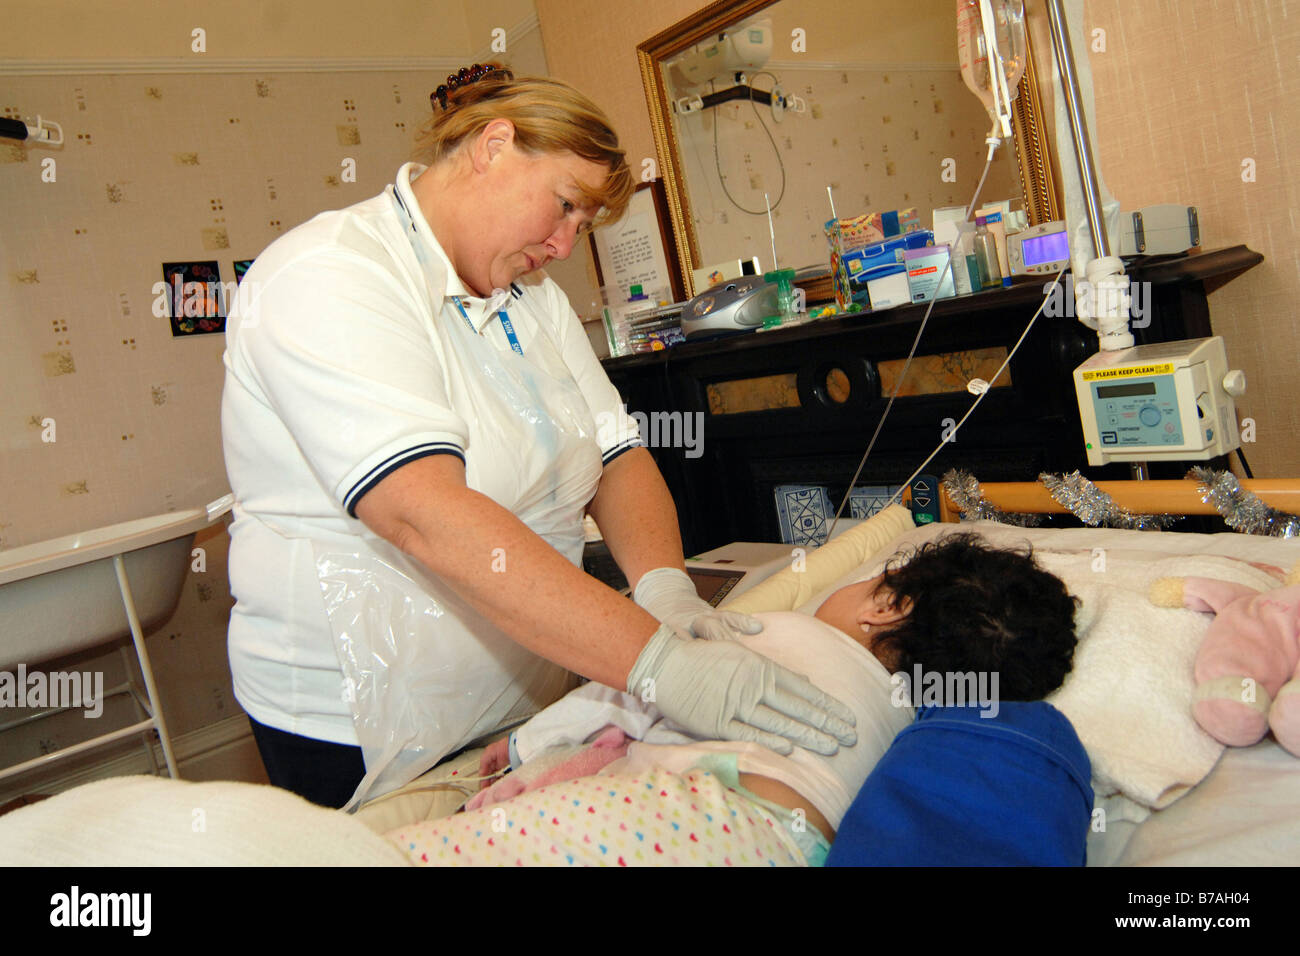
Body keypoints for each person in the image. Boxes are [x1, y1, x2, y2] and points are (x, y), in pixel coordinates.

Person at [219, 63, 855, 809]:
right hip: (355, 715)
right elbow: (422, 512)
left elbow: (617, 458)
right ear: (493, 146)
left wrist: (667, 593)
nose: (562, 245)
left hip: (527, 676)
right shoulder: (330, 275)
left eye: (581, 227)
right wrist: (658, 665)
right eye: (564, 207)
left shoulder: (534, 302)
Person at [384, 533, 1082, 866]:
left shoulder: (777, 629)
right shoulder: (907, 731)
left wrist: (523, 746)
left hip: (696, 816)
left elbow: (622, 690)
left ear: (887, 605)